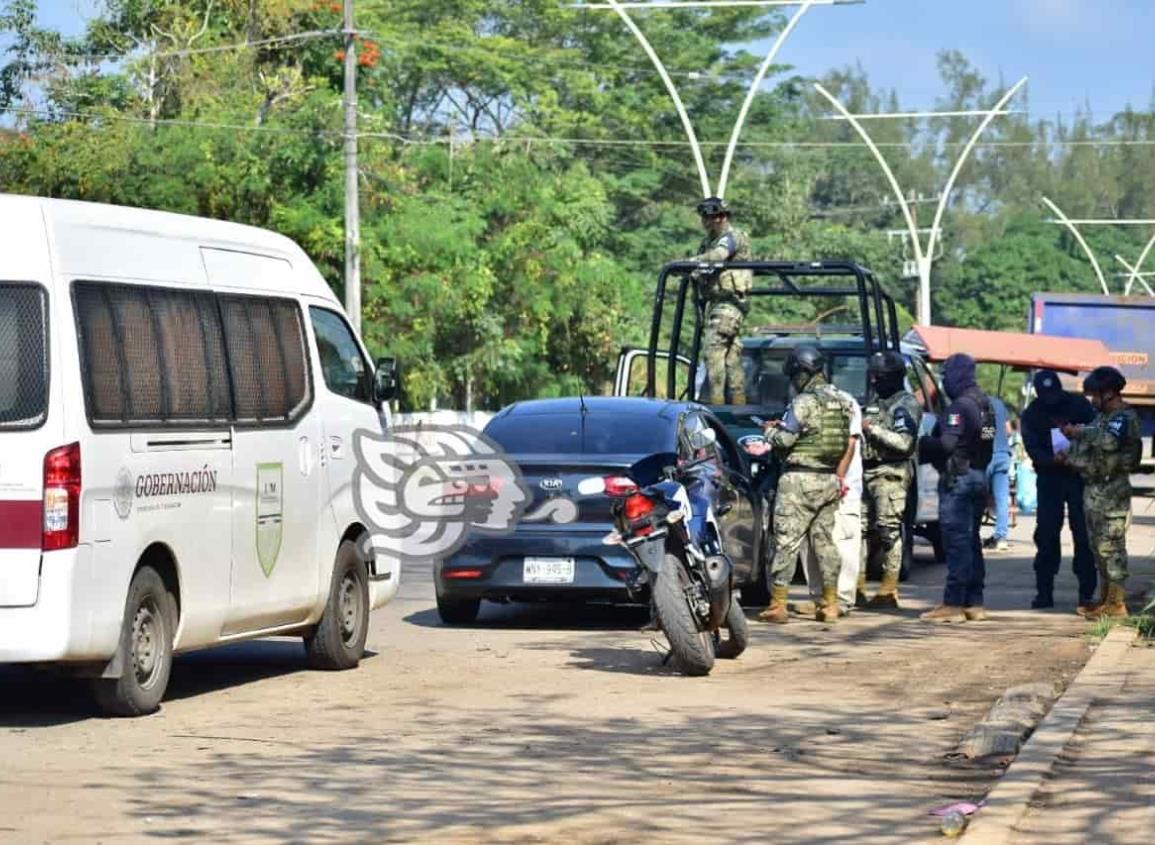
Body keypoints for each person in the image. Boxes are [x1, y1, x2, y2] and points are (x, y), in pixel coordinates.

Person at [751, 345, 855, 624]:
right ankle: (830, 605)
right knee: (825, 543)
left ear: (802, 373)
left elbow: (785, 441)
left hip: (799, 480)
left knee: (786, 541)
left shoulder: (803, 402)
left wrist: (770, 431)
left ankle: (779, 605)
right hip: (829, 479)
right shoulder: (842, 400)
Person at [1060, 366, 1143, 619]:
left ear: (1109, 393)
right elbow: (1090, 445)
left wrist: (1080, 431)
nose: (1092, 400)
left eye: (1095, 395)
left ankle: (1117, 604)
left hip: (1112, 492)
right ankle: (1106, 598)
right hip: (1095, 491)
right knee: (1099, 548)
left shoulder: (1122, 418)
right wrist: (1070, 453)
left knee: (1112, 549)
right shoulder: (1102, 418)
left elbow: (1108, 441)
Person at [918, 353, 995, 623]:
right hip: (977, 476)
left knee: (957, 542)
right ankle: (975, 602)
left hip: (958, 480)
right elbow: (988, 442)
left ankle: (952, 604)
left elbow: (947, 445)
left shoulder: (958, 408)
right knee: (972, 542)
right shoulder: (986, 406)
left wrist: (922, 445)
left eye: (946, 375)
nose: (944, 381)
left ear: (956, 375)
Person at [1020, 370, 1097, 612]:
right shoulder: (1031, 414)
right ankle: (1044, 592)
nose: (1050, 401)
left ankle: (1086, 593)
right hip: (1049, 478)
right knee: (1046, 535)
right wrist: (1054, 461)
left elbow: (1095, 434)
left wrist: (1075, 456)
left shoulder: (1078, 404)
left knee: (1083, 536)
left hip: (1078, 477)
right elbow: (1033, 448)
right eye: (1045, 396)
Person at [859, 350, 923, 609]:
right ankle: (857, 587)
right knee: (860, 529)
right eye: (873, 376)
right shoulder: (875, 401)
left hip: (891, 473)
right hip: (866, 472)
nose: (874, 381)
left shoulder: (905, 404)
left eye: (880, 376)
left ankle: (888, 589)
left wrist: (871, 429)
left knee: (888, 530)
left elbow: (905, 442)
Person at [799, 382, 863, 617]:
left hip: (843, 486)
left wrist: (839, 478)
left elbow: (851, 442)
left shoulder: (845, 402)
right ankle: (820, 598)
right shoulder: (802, 403)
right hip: (811, 486)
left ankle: (842, 599)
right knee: (812, 543)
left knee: (841, 541)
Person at [689, 196, 752, 406]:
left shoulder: (733, 238)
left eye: (709, 216)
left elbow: (720, 255)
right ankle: (739, 408)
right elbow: (699, 272)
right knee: (731, 357)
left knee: (712, 349)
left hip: (730, 303)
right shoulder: (706, 243)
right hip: (715, 304)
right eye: (704, 217)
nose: (705, 221)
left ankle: (716, 407)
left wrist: (692, 262)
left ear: (721, 217)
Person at [983, 395, 1013, 552]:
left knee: (978, 496)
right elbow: (1008, 431)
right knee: (1002, 499)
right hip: (1003, 455)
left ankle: (973, 534)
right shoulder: (999, 403)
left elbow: (984, 435)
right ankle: (1001, 538)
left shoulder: (976, 402)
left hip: (986, 456)